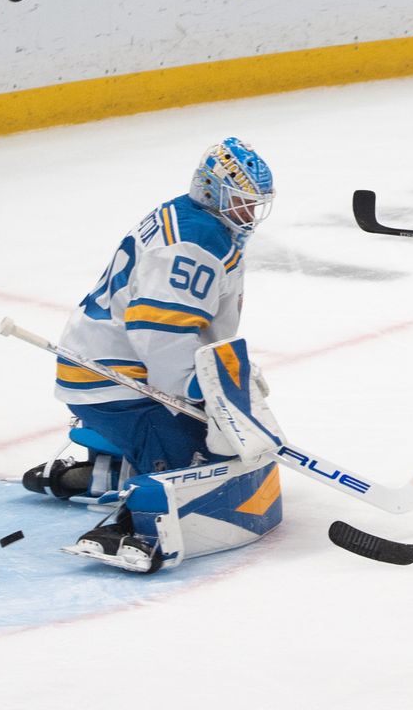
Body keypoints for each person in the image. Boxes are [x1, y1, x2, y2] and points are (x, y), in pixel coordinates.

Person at [22, 137, 278, 571]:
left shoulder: (197, 220)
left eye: (254, 204)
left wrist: (219, 379)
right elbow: (158, 333)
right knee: (204, 465)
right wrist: (198, 389)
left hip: (115, 367)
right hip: (117, 382)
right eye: (240, 202)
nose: (249, 214)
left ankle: (97, 473)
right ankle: (125, 528)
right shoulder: (196, 241)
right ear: (211, 191)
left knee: (234, 440)